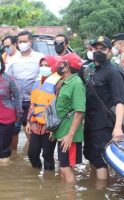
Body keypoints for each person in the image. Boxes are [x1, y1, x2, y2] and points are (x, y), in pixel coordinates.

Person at [82, 36, 124, 180]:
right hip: (90, 122)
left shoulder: (114, 72)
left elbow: (120, 102)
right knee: (90, 155)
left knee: (100, 160)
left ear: (110, 51)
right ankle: (92, 186)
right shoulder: (92, 70)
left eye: (103, 48)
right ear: (91, 50)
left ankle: (99, 192)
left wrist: (117, 127)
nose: (99, 51)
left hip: (104, 124)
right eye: (96, 48)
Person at [8, 31, 44, 150]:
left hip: (33, 101)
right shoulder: (12, 59)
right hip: (15, 101)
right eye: (20, 42)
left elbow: (43, 77)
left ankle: (31, 157)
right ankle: (13, 157)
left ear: (30, 42)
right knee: (13, 130)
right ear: (17, 43)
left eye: (25, 41)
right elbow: (8, 78)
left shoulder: (39, 57)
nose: (22, 44)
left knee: (32, 130)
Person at [53, 53, 85, 183]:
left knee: (66, 167)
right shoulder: (64, 81)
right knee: (63, 166)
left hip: (68, 134)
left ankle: (70, 194)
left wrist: (70, 135)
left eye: (61, 63)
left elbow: (79, 111)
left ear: (66, 67)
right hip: (61, 130)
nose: (58, 65)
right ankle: (66, 193)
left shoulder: (76, 84)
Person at [26, 56, 59, 170]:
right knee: (32, 153)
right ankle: (37, 176)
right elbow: (32, 104)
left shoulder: (58, 83)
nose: (44, 68)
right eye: (42, 65)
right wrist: (29, 122)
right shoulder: (37, 81)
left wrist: (56, 128)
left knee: (47, 155)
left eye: (47, 65)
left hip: (50, 125)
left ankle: (49, 181)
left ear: (53, 67)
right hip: (36, 124)